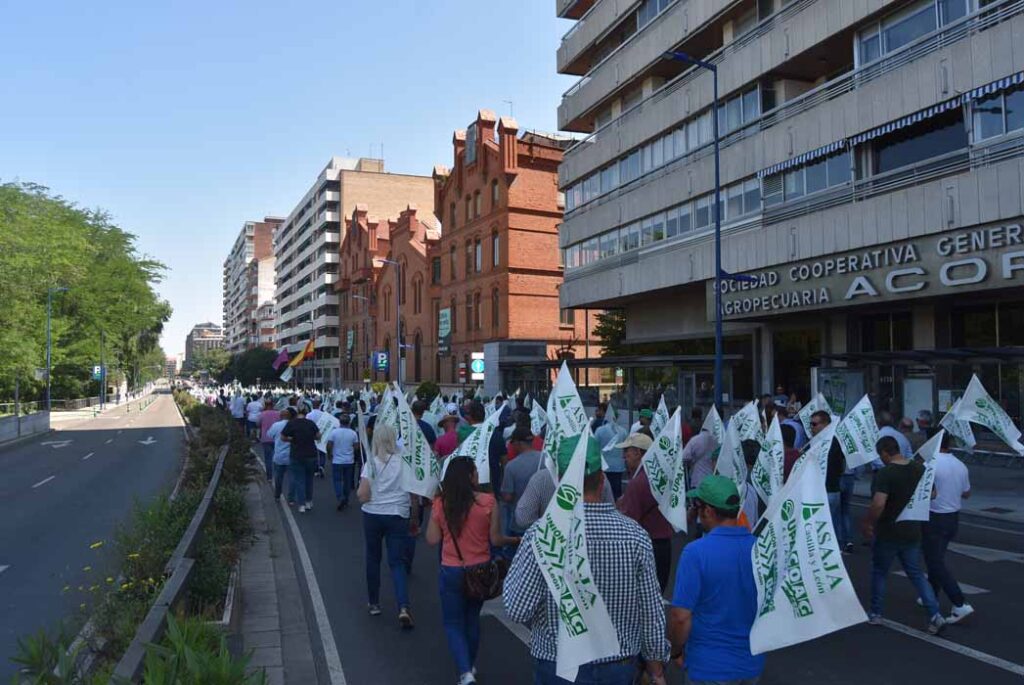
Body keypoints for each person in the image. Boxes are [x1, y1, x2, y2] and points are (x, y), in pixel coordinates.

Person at [503, 435, 670, 685]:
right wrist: (656, 667)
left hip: (557, 662)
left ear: (559, 480)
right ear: (602, 480)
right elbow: (651, 610)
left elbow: (517, 608)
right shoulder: (635, 536)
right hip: (618, 663)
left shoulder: (540, 535)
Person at [426, 457, 521, 685]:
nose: (479, 475)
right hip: (480, 570)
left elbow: (432, 539)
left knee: (452, 623)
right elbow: (496, 539)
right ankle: (469, 663)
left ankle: (465, 672)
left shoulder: (441, 503)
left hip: (451, 569)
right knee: (471, 619)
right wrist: (516, 539)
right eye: (476, 472)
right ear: (469, 476)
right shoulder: (488, 502)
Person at [668, 475, 765, 685]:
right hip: (751, 662)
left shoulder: (695, 553)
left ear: (709, 511)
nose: (695, 511)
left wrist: (675, 650)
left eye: (697, 505)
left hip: (708, 666)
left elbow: (680, 616)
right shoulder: (761, 549)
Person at [862, 436, 945, 634]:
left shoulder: (886, 473)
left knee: (880, 572)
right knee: (916, 574)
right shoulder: (919, 468)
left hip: (888, 531)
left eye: (880, 455)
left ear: (884, 453)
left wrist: (868, 522)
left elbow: (879, 503)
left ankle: (875, 613)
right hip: (912, 530)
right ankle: (935, 615)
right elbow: (932, 494)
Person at [357, 423, 418, 628]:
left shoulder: (371, 464)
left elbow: (363, 495)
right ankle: (403, 606)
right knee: (397, 562)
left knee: (373, 558)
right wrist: (414, 517)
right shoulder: (404, 463)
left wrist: (366, 496)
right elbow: (413, 493)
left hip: (373, 515)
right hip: (398, 514)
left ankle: (374, 603)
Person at [923, 432, 974, 624]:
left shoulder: (930, 464)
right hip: (953, 518)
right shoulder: (960, 465)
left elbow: (929, 493)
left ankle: (959, 603)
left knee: (935, 562)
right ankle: (930, 595)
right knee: (935, 558)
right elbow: (967, 493)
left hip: (934, 517)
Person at [616, 433, 674, 592]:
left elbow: (626, 521)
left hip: (647, 546)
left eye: (627, 451)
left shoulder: (639, 482)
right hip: (664, 544)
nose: (624, 456)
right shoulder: (658, 476)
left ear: (638, 453)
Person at [514, 455, 615, 530]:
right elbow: (611, 513)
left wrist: (547, 530)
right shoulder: (602, 479)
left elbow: (523, 519)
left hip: (550, 548)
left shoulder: (540, 479)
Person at [810, 411, 851, 550]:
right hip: (827, 490)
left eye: (815, 424)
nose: (812, 427)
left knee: (824, 524)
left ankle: (829, 550)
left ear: (826, 424)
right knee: (830, 522)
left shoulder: (830, 443)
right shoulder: (820, 441)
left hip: (828, 490)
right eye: (811, 424)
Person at [500, 427, 543, 535]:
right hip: (543, 520)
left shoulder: (511, 466)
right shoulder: (546, 459)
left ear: (518, 443)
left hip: (520, 523)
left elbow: (508, 497)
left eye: (512, 442)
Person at [281, 404, 321, 513]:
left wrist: (292, 439)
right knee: (309, 479)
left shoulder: (291, 423)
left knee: (299, 480)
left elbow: (283, 437)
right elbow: (318, 436)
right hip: (310, 454)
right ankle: (308, 501)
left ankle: (301, 504)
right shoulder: (311, 423)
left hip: (296, 454)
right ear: (306, 412)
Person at [327, 414, 359, 510]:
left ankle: (340, 496)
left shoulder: (334, 432)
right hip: (349, 460)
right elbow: (356, 446)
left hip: (337, 460)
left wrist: (329, 454)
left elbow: (329, 444)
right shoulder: (353, 433)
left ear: (340, 422)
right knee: (347, 481)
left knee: (337, 480)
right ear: (349, 422)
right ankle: (346, 497)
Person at [594, 406, 626, 499]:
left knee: (604, 491)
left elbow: (595, 446)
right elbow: (625, 448)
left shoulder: (599, 430)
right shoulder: (623, 431)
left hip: (604, 466)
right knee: (617, 491)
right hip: (618, 467)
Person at [267, 407, 296, 503]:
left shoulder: (276, 425)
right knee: (292, 477)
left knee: (278, 477)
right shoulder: (293, 425)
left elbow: (269, 435)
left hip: (279, 455)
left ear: (281, 416)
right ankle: (291, 498)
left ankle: (277, 495)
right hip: (291, 455)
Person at [258, 398, 280, 483]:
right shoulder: (278, 414)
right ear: (272, 404)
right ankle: (277, 474)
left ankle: (269, 476)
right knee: (276, 456)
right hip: (276, 438)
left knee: (268, 458)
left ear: (265, 405)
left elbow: (258, 423)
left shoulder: (262, 414)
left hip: (265, 437)